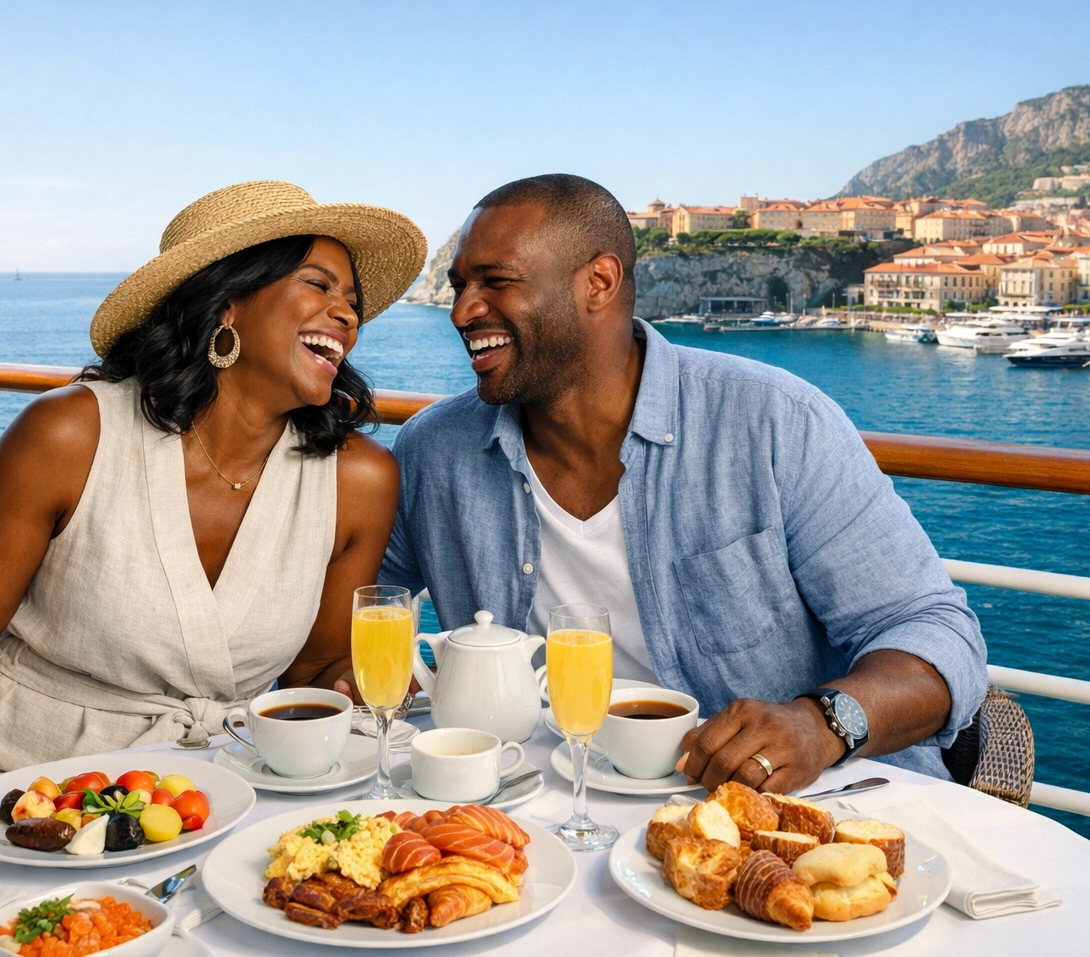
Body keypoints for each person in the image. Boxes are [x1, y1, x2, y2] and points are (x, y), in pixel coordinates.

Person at [0, 181, 426, 865]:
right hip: (6, 785)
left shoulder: (358, 479)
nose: (347, 315)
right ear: (228, 301)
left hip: (205, 795)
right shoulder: (68, 434)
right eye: (319, 285)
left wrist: (372, 682)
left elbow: (318, 669)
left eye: (353, 302)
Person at [379, 174, 987, 794]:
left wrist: (819, 724)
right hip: (537, 805)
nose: (462, 311)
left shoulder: (776, 422)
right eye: (459, 285)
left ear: (599, 282)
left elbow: (935, 632)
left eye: (496, 282)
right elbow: (364, 610)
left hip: (794, 808)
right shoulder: (435, 449)